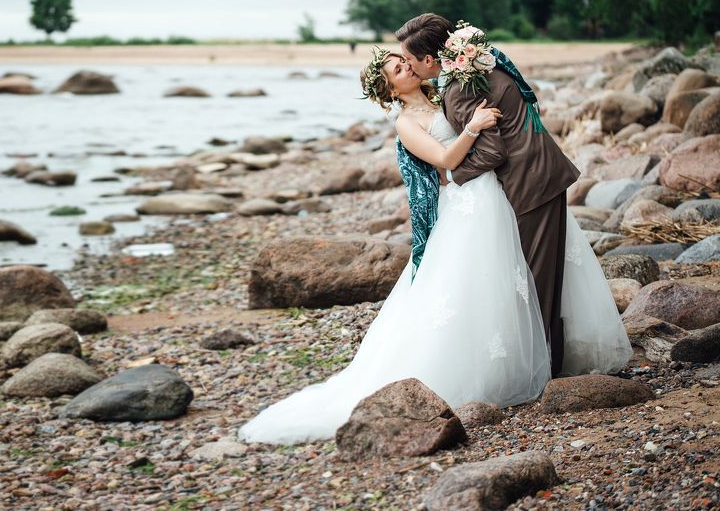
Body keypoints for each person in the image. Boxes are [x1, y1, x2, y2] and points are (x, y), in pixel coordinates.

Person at [237, 42, 631, 446]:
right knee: (474, 280)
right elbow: (444, 160)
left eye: (403, 61)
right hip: (465, 202)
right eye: (396, 69)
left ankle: (541, 351)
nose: (405, 67)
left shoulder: (444, 94)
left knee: (513, 274)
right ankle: (494, 370)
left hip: (493, 192)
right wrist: (474, 127)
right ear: (389, 90)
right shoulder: (406, 123)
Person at [396, 13, 576, 376]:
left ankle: (544, 374)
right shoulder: (475, 68)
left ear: (430, 60)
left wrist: (450, 177)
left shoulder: (461, 86)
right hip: (538, 175)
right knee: (540, 280)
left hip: (530, 183)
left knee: (538, 284)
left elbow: (492, 152)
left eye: (411, 61)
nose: (410, 68)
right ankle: (548, 366)